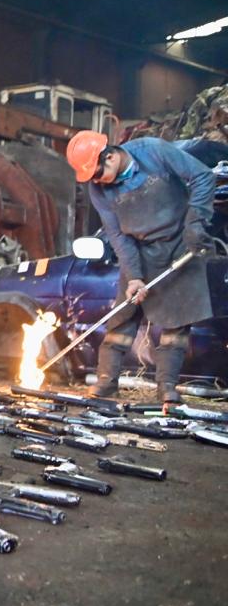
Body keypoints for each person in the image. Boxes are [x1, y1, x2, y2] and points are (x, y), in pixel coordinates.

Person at [66, 130, 216, 404]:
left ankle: (166, 388)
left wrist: (196, 222)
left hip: (181, 245)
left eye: (97, 173)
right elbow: (117, 235)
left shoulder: (155, 151)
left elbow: (203, 176)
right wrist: (134, 276)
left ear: (109, 156)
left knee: (177, 323)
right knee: (122, 316)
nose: (96, 181)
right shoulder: (98, 190)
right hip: (141, 250)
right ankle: (106, 383)